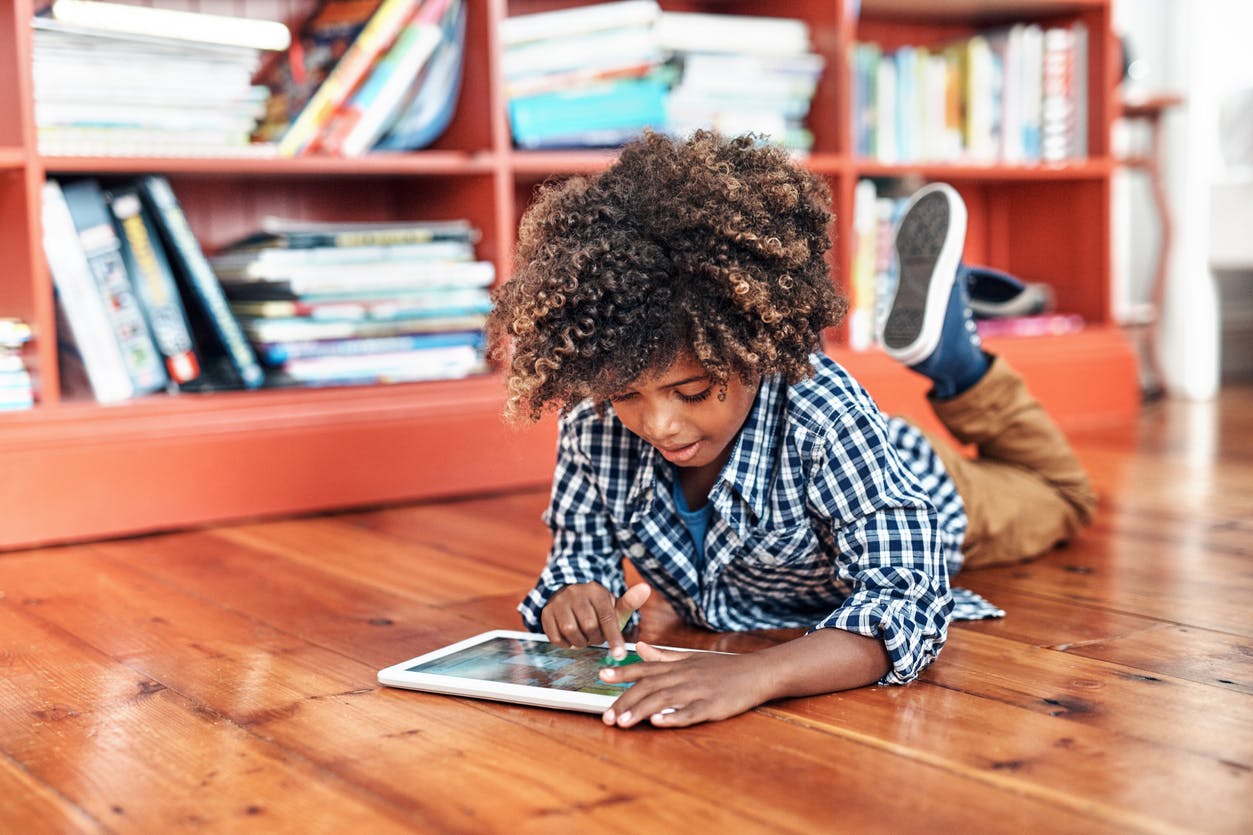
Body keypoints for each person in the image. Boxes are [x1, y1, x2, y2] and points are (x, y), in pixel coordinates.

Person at [486, 130, 1096, 729]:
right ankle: (957, 357)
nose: (660, 425)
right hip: (850, 465)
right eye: (626, 395)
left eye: (693, 390)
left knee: (1065, 497)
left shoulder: (822, 412)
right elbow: (577, 557)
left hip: (918, 482)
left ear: (761, 349)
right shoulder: (593, 423)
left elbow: (906, 601)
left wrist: (757, 675)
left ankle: (960, 366)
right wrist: (574, 598)